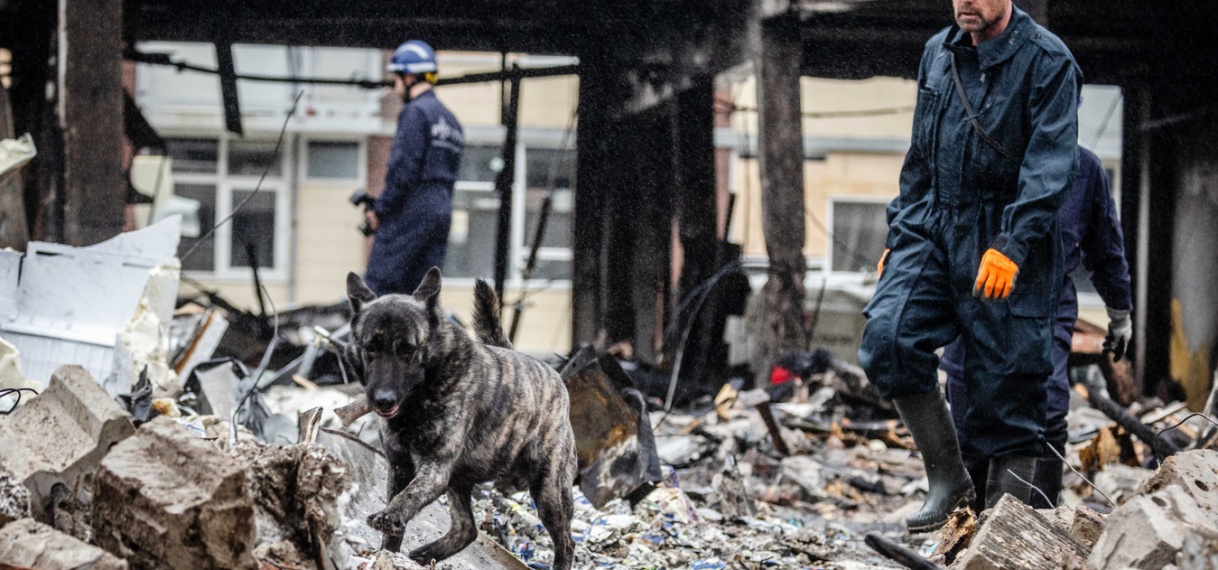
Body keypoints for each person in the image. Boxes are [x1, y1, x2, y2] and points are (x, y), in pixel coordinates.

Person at [858, 0, 1081, 532]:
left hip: (1004, 233)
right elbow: (920, 157)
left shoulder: (1049, 61)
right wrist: (900, 232)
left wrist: (1013, 242)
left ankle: (1000, 536)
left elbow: (1051, 164)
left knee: (1006, 392)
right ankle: (947, 478)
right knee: (888, 338)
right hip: (934, 224)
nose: (967, 2)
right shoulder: (938, 52)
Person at [941, 145, 1132, 510]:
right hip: (978, 299)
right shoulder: (978, 152)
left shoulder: (1085, 169)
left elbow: (1105, 249)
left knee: (1044, 414)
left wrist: (1119, 312)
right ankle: (964, 542)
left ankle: (1034, 533)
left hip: (1046, 305)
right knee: (969, 417)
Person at [364, 40, 465, 295]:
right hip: (441, 211)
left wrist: (380, 210)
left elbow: (402, 170)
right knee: (423, 296)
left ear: (409, 77)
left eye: (396, 79)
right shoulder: (452, 120)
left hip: (413, 208)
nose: (395, 88)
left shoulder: (415, 113)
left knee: (378, 289)